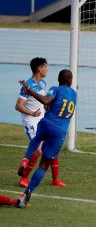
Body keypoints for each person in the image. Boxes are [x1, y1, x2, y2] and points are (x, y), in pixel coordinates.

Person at [16, 69, 77, 208]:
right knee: (43, 165)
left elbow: (46, 100)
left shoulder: (54, 89)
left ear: (59, 80)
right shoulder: (74, 94)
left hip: (47, 123)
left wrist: (29, 90)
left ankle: (26, 159)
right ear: (70, 81)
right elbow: (56, 105)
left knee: (36, 139)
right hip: (60, 131)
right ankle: (26, 195)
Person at [15, 57, 66, 188]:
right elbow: (18, 105)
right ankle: (24, 178)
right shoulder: (28, 85)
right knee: (38, 151)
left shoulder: (42, 83)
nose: (47, 69)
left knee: (53, 147)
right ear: (39, 68)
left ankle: (55, 179)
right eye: (45, 67)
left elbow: (43, 101)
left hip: (43, 121)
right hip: (31, 121)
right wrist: (32, 113)